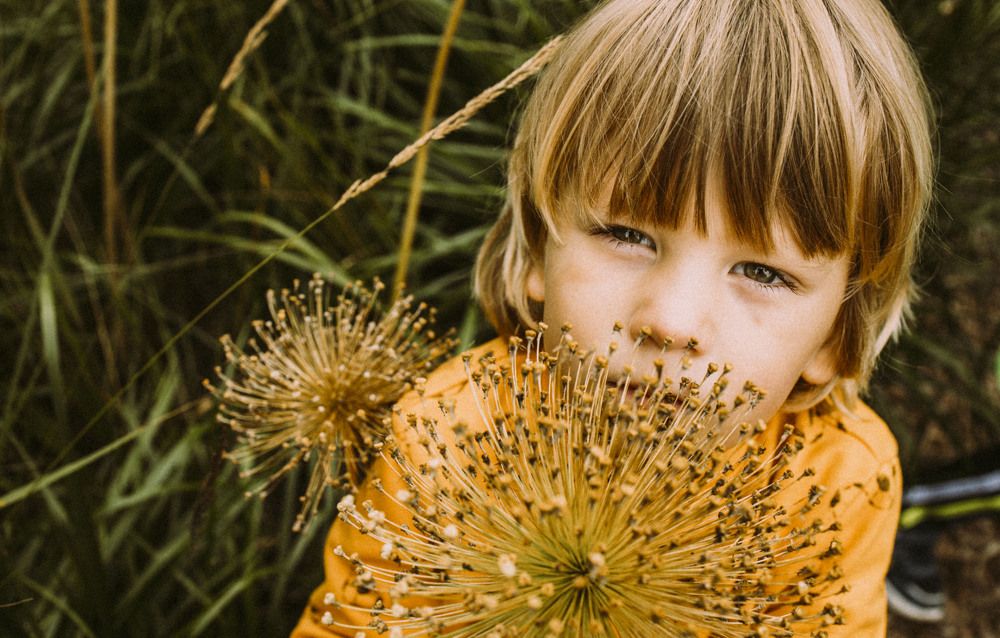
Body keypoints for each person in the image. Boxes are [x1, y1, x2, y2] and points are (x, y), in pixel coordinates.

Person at [292, 0, 933, 635]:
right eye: (627, 235)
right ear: (541, 240)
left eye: (763, 273)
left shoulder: (838, 483)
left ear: (837, 333)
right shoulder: (448, 439)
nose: (672, 323)